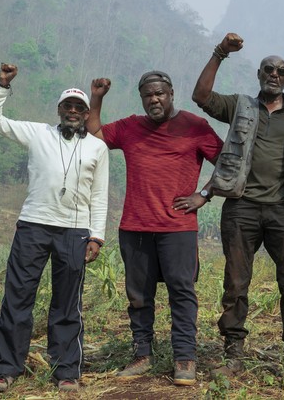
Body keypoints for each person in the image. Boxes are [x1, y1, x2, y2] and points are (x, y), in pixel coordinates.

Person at [86, 71, 223, 386]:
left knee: (182, 292)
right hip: (135, 227)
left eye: (160, 93)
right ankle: (142, 355)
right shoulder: (131, 126)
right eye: (148, 95)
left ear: (171, 93)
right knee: (138, 296)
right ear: (142, 98)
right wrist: (97, 98)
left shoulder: (195, 126)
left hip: (178, 228)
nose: (154, 100)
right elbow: (95, 134)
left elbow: (229, 160)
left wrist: (204, 194)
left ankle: (185, 358)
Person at [191, 32, 284, 375]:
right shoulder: (240, 105)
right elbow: (201, 95)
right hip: (242, 206)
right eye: (267, 70)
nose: (273, 75)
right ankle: (233, 351)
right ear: (259, 75)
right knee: (235, 280)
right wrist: (220, 53)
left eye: (280, 71)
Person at [0, 63, 109, 393]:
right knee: (17, 298)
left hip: (75, 231)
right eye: (67, 105)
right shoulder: (39, 133)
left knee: (67, 304)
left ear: (84, 114)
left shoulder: (97, 147)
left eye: (79, 107)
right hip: (33, 226)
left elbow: (99, 195)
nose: (72, 111)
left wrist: (97, 235)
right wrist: (2, 85)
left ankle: (66, 370)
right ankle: (6, 368)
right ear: (59, 110)